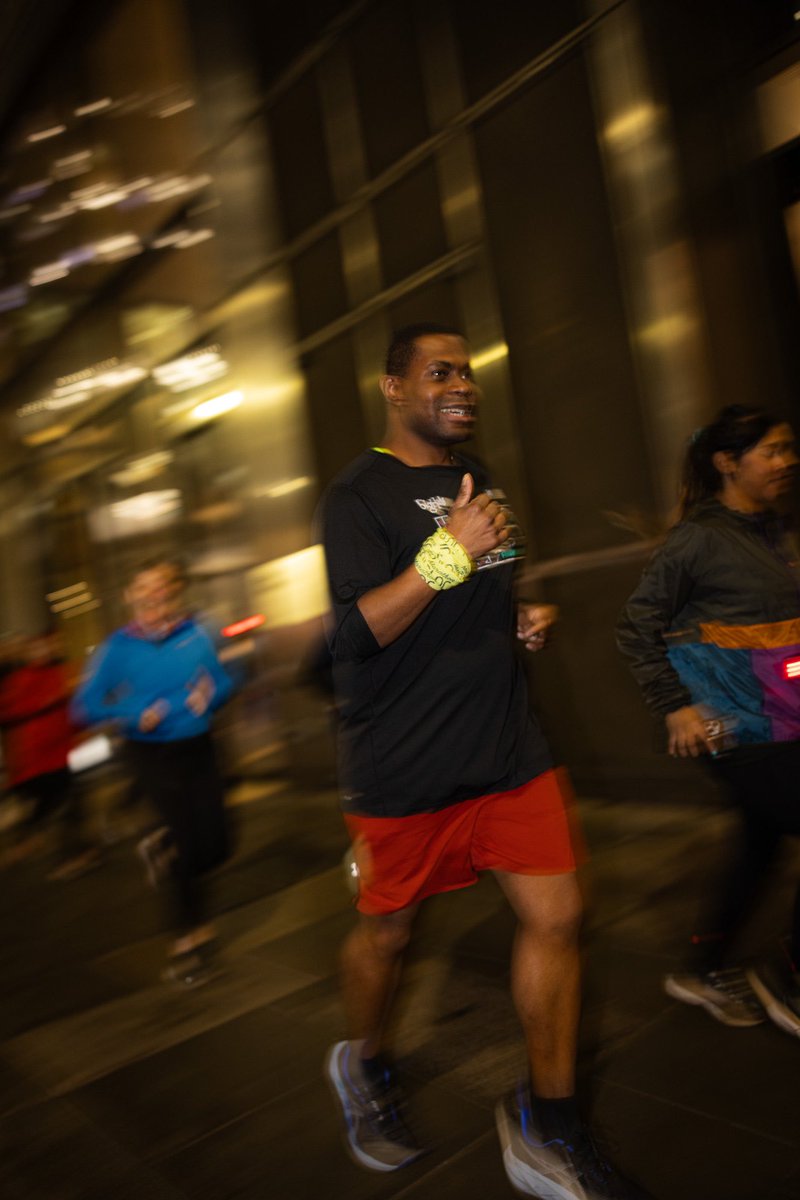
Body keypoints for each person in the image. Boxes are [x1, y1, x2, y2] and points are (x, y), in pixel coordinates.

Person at [318, 323, 650, 1199]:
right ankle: (367, 1060)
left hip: (507, 748)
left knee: (560, 916)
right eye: (440, 372)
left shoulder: (481, 480)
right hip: (401, 764)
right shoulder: (357, 495)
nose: (462, 384)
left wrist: (517, 612)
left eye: (466, 371)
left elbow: (489, 584)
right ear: (394, 388)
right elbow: (356, 633)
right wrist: (447, 552)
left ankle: (549, 1125)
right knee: (390, 935)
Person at [617, 404, 800, 1036]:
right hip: (731, 722)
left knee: (760, 842)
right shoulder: (698, 537)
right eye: (772, 451)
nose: (787, 461)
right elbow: (636, 627)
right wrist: (676, 706)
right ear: (728, 462)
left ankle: (705, 965)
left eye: (787, 449)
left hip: (780, 714)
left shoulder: (770, 529)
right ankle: (787, 975)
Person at [72, 558, 234, 986]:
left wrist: (211, 693)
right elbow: (84, 705)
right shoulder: (117, 648)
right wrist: (131, 712)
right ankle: (187, 940)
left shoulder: (196, 633)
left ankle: (161, 844)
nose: (153, 594)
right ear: (130, 595)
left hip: (198, 747)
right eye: (143, 587)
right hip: (150, 754)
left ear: (172, 590)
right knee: (186, 843)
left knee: (216, 843)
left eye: (160, 586)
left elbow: (224, 677)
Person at [0, 629, 102, 879]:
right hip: (37, 758)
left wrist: (83, 728)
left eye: (51, 644)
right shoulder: (19, 680)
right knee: (54, 802)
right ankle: (44, 844)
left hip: (61, 753)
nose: (46, 650)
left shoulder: (61, 673)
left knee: (70, 802)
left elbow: (77, 708)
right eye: (39, 646)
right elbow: (8, 712)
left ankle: (77, 852)